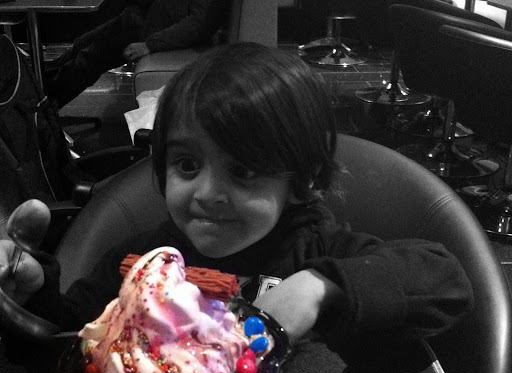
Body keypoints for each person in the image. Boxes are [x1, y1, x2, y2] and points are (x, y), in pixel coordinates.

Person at [0, 42, 472, 353]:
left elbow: (447, 282)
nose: (207, 194)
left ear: (301, 180)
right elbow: (70, 336)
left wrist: (320, 287)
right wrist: (31, 296)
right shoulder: (139, 261)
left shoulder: (317, 247)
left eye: (243, 171)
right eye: (188, 165)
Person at [44, 0, 230, 108]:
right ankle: (37, 90)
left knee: (88, 59)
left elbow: (199, 25)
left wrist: (150, 45)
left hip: (151, 31)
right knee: (80, 45)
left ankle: (42, 112)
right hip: (141, 18)